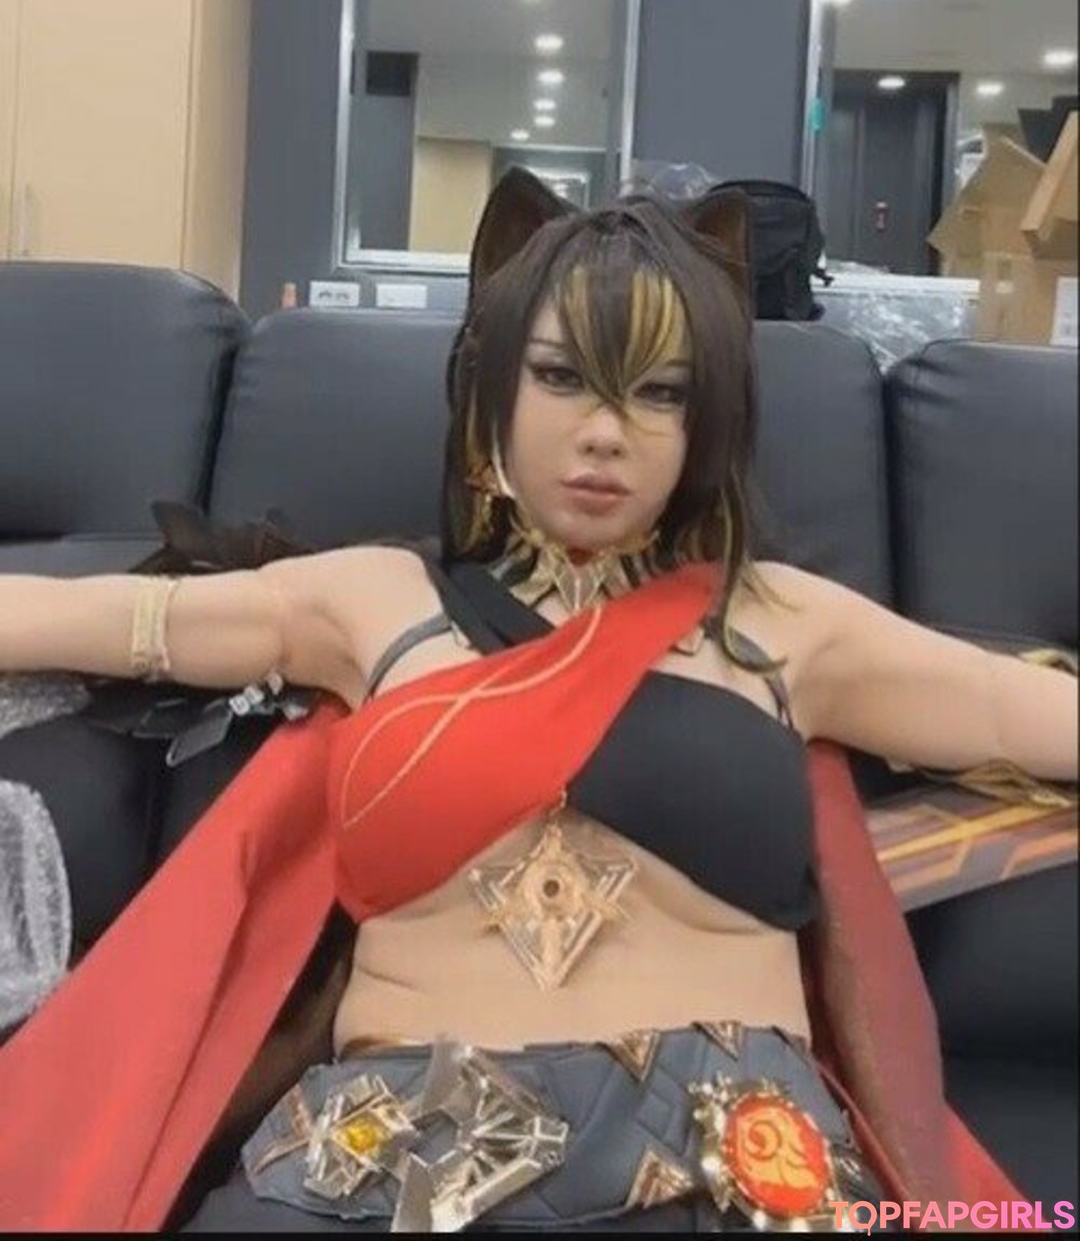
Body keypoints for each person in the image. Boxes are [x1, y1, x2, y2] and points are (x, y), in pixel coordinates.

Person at [0, 170, 1075, 1234]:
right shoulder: (371, 602)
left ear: (706, 424)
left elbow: (1012, 710)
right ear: (493, 389)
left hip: (727, 1165)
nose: (606, 431)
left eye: (660, 392)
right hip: (379, 1162)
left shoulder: (788, 624)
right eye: (562, 377)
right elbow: (105, 618)